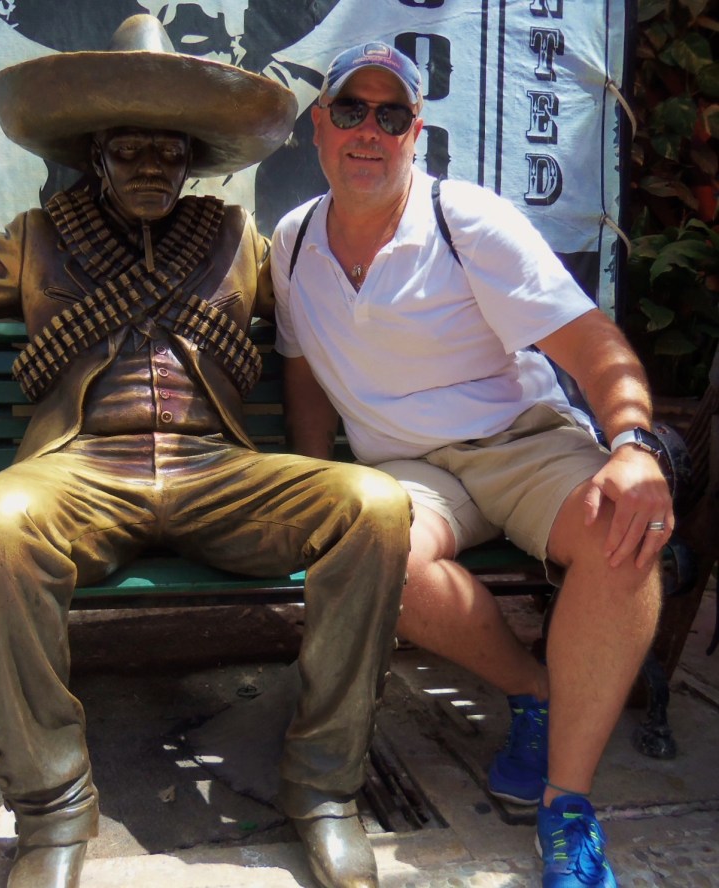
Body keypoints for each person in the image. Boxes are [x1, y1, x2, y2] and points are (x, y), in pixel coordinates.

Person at [0, 16, 411, 888]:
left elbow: (340, 303)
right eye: (128, 151)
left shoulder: (238, 242)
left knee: (375, 506)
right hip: (84, 470)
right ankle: (53, 809)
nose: (148, 170)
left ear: (192, 158)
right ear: (94, 154)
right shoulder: (41, 238)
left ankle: (324, 789)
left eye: (166, 153)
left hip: (217, 472)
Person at [271, 41, 673, 888]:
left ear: (416, 132)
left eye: (391, 115)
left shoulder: (467, 221)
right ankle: (534, 689)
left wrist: (632, 446)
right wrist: (315, 479)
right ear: (319, 128)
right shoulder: (294, 239)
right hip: (411, 471)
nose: (369, 132)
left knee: (623, 536)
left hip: (520, 441)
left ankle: (568, 804)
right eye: (351, 111)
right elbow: (302, 366)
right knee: (369, 558)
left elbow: (593, 344)